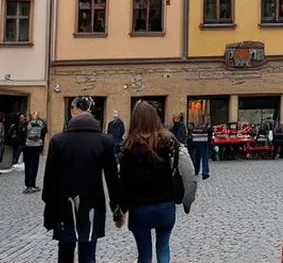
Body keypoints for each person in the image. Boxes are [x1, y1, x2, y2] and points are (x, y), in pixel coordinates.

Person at [42, 96, 120, 263]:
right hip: (92, 202)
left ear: (73, 109)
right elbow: (112, 178)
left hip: (64, 204)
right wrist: (116, 205)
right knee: (88, 251)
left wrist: (48, 207)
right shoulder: (104, 141)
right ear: (90, 110)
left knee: (65, 251)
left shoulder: (58, 141)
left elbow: (50, 179)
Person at [118, 101, 196, 263]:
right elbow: (189, 172)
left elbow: (123, 181)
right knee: (163, 247)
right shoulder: (170, 141)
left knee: (144, 253)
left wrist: (120, 208)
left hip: (139, 207)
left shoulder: (129, 145)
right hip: (165, 204)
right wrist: (187, 200)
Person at [23, 111, 48, 193]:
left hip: (27, 146)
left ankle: (28, 185)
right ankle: (32, 184)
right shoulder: (41, 123)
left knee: (28, 166)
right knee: (34, 165)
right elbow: (45, 131)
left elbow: (22, 133)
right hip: (36, 146)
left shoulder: (27, 124)